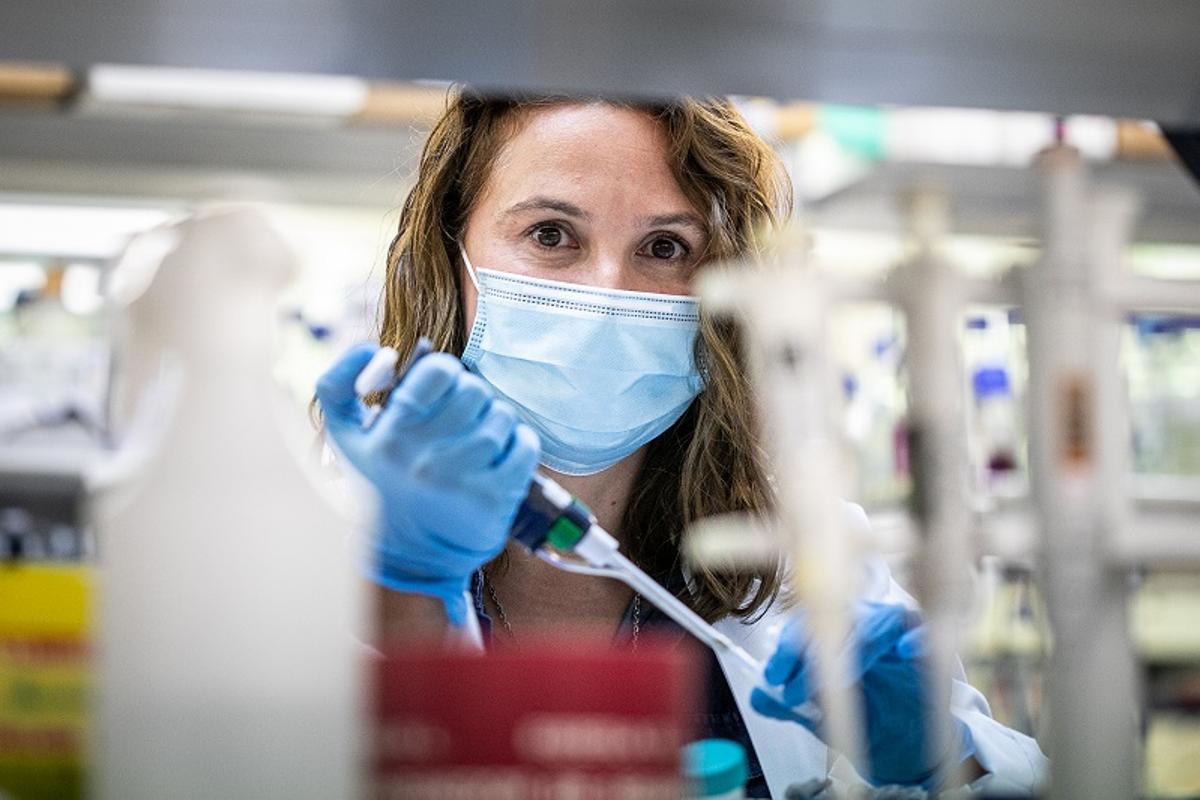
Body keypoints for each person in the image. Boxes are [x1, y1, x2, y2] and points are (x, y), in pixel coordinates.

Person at [315, 89, 1047, 796]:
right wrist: (400, 599)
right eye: (550, 234)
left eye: (665, 247)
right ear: (452, 256)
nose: (608, 289)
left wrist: (947, 760)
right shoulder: (322, 553)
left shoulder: (793, 558)